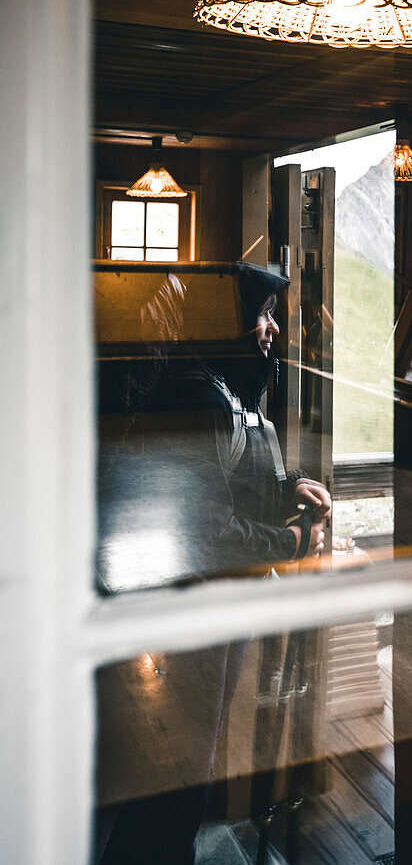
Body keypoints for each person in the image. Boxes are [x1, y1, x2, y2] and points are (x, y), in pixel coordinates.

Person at [97, 262, 330, 864]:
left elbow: (228, 480)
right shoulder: (200, 394)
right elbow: (209, 528)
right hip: (191, 605)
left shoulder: (217, 383)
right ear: (228, 323)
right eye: (263, 314)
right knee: (179, 772)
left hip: (206, 600)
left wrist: (289, 486)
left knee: (183, 765)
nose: (273, 329)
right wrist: (293, 544)